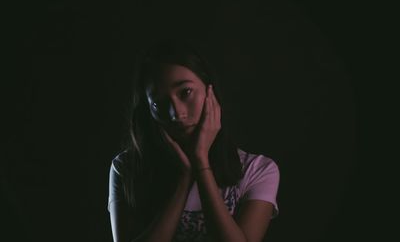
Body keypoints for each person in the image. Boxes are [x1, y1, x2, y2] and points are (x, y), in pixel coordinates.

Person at [107, 40, 280, 242]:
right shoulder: (127, 168)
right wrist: (184, 180)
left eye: (185, 92)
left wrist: (201, 162)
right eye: (158, 102)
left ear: (210, 91)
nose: (175, 113)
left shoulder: (258, 170)